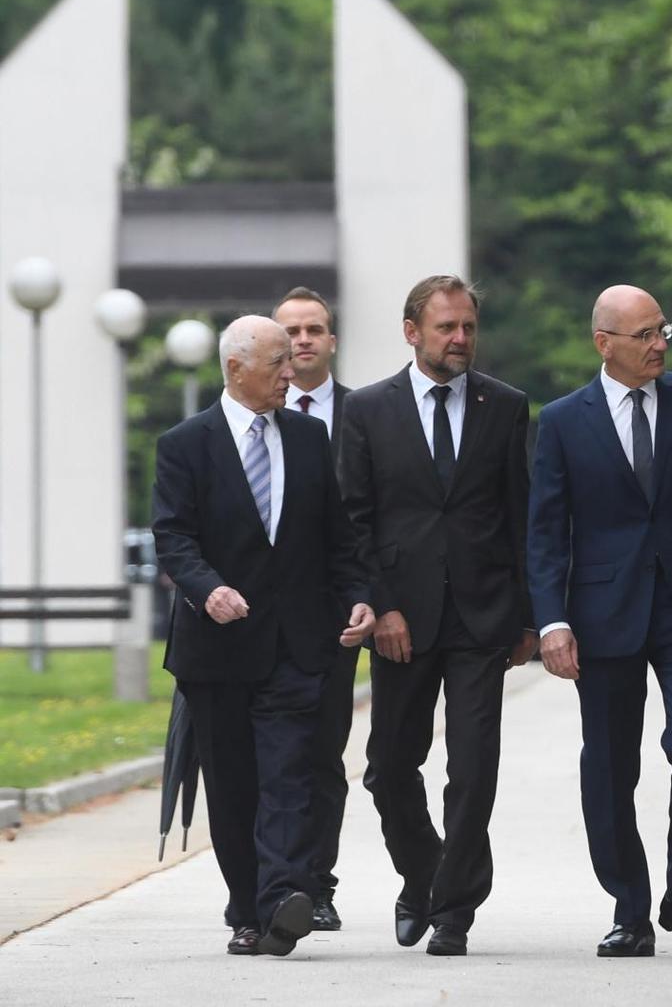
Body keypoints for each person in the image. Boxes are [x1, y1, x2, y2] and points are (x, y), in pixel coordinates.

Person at [528, 284, 672, 959]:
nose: (660, 345)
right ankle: (629, 906)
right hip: (602, 612)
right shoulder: (565, 420)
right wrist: (550, 621)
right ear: (604, 342)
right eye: (645, 335)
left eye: (664, 331)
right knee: (608, 765)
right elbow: (545, 530)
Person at [152, 315, 375, 958]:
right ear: (235, 369)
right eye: (278, 361)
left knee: (290, 775)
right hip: (217, 649)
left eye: (292, 360)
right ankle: (248, 909)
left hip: (298, 645)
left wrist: (359, 596)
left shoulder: (308, 438)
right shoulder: (184, 444)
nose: (291, 371)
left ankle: (282, 898)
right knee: (235, 784)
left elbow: (339, 539)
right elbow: (174, 536)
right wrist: (206, 588)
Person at [337, 274, 538, 957]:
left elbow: (522, 516)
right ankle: (422, 875)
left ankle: (454, 911)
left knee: (474, 768)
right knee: (390, 767)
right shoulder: (366, 410)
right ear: (411, 331)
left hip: (485, 616)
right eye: (447, 327)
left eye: (468, 328)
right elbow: (354, 522)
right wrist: (382, 604)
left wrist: (530, 617)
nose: (460, 339)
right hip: (403, 619)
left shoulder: (505, 406)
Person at [271, 286, 353, 933]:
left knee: (323, 755)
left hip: (335, 621)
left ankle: (316, 884)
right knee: (274, 758)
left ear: (332, 340)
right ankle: (277, 883)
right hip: (263, 621)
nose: (303, 340)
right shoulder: (256, 414)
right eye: (291, 331)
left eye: (314, 330)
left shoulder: (369, 414)